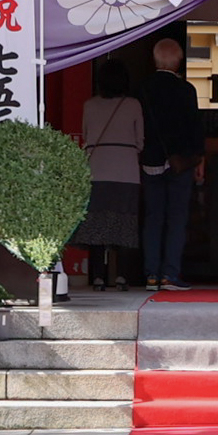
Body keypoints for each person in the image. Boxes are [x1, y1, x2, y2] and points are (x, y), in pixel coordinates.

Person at [138, 37, 207, 291]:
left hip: (150, 159)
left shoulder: (142, 88)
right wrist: (199, 157)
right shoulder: (186, 90)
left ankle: (151, 274)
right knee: (177, 218)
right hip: (180, 161)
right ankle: (170, 274)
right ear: (179, 62)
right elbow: (194, 127)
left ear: (155, 60)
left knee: (153, 217)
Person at [74, 60, 145, 290]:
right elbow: (140, 141)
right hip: (126, 171)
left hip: (97, 170)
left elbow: (86, 136)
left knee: (97, 224)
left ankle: (97, 277)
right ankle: (122, 276)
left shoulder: (89, 105)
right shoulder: (133, 105)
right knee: (125, 222)